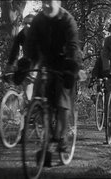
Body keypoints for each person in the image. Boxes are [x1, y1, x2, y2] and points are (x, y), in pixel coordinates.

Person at [24, 0, 81, 153]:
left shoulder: (68, 20)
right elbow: (30, 44)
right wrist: (26, 63)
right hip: (47, 61)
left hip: (65, 61)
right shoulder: (38, 20)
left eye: (49, 2)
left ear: (58, 2)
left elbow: (73, 46)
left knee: (62, 97)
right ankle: (46, 134)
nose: (46, 5)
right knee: (42, 96)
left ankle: (62, 137)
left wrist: (70, 70)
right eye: (43, 2)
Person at [5, 14, 35, 100]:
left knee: (32, 79)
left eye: (30, 23)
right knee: (18, 75)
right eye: (25, 23)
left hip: (40, 59)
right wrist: (9, 66)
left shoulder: (40, 33)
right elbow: (14, 51)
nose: (27, 25)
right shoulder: (21, 34)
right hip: (27, 59)